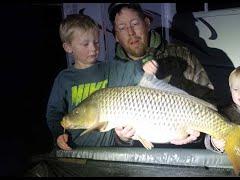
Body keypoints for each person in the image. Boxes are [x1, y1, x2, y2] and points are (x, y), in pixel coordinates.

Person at [108, 3, 216, 147]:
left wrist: (195, 135)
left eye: (135, 23)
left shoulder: (181, 55)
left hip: (183, 152)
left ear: (146, 23)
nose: (131, 32)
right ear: (116, 36)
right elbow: (106, 134)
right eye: (122, 28)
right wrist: (123, 138)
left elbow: (210, 104)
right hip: (138, 159)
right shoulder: (111, 72)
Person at [46, 14, 158, 151]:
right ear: (68, 47)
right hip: (76, 149)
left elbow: (130, 69)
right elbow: (54, 113)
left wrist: (144, 65)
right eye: (85, 44)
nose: (93, 48)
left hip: (109, 149)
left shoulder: (109, 69)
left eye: (96, 42)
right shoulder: (64, 78)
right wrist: (58, 134)